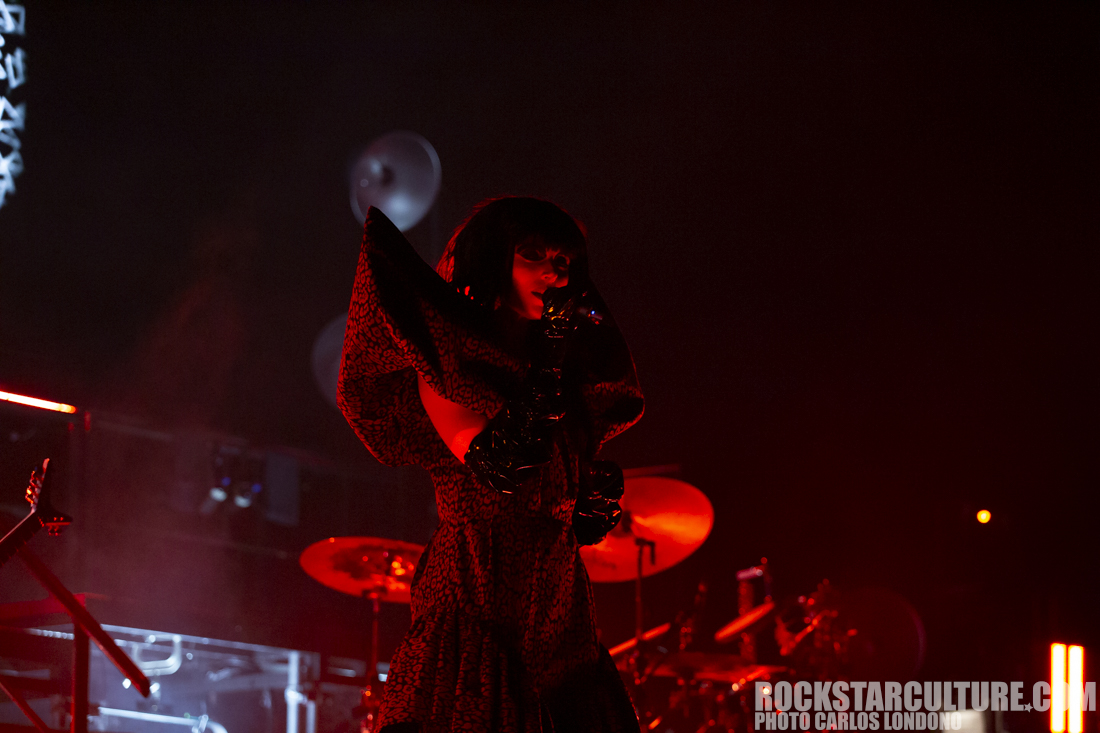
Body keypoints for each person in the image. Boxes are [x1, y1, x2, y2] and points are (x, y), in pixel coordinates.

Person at [338, 196, 645, 732]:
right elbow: (504, 466)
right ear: (493, 263)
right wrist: (550, 356)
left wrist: (588, 504)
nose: (554, 270)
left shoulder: (568, 385)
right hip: (479, 588)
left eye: (564, 260)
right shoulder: (449, 366)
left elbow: (553, 494)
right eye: (533, 254)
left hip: (559, 608)